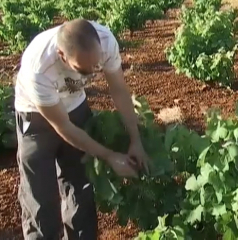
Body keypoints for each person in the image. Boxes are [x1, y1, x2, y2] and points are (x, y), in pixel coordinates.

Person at [13, 19, 151, 240]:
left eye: (94, 67)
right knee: (40, 197)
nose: (88, 75)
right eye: (81, 69)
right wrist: (108, 156)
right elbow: (63, 126)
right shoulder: (39, 68)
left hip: (75, 106)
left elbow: (118, 90)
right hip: (36, 116)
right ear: (61, 56)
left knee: (80, 184)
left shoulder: (105, 41)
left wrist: (136, 139)